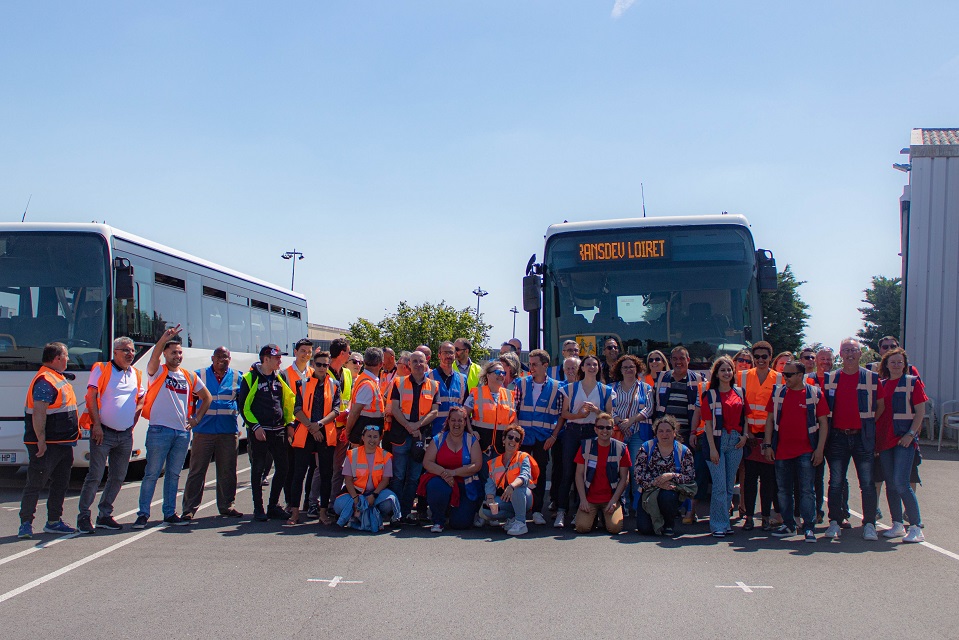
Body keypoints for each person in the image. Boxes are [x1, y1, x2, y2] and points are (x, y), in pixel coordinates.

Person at [135, 327, 213, 528]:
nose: (177, 356)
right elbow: (153, 357)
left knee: (174, 475)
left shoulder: (188, 376)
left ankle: (169, 513)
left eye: (179, 352)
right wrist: (163, 338)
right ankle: (143, 514)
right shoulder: (158, 371)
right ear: (165, 354)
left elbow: (207, 397)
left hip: (181, 432)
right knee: (152, 473)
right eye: (173, 352)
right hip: (159, 431)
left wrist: (196, 419)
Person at [76, 337, 146, 534]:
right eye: (125, 350)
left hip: (124, 435)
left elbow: (141, 397)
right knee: (95, 475)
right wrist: (96, 425)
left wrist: (134, 419)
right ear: (115, 352)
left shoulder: (136, 374)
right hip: (103, 432)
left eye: (132, 350)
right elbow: (91, 397)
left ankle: (105, 514)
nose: (130, 354)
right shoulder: (102, 368)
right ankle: (83, 516)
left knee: (118, 476)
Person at [762, 360, 830, 542]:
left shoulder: (814, 393)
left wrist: (820, 449)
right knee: (783, 491)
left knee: (807, 490)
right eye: (784, 374)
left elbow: (823, 423)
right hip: (782, 450)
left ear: (801, 375)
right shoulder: (778, 393)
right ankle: (789, 525)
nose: (785, 378)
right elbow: (769, 420)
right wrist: (767, 445)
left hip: (806, 451)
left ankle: (809, 527)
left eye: (789, 375)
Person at [18, 342, 80, 539]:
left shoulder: (56, 377)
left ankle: (54, 521)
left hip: (63, 443)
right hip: (48, 445)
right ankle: (26, 523)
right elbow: (39, 412)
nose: (68, 359)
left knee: (60, 484)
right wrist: (41, 440)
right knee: (36, 483)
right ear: (57, 359)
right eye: (66, 356)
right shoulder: (45, 380)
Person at [823, 337, 882, 541]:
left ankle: (869, 524)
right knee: (836, 481)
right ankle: (834, 522)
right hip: (838, 436)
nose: (849, 354)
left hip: (862, 437)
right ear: (840, 354)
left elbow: (880, 406)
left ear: (860, 353)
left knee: (867, 482)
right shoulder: (831, 378)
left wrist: (869, 426)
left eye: (853, 350)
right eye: (846, 350)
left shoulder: (872, 378)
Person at [181, 346, 243, 521]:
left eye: (226, 357)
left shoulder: (238, 376)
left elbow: (242, 402)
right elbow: (188, 399)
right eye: (219, 357)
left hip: (228, 431)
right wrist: (192, 418)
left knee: (228, 471)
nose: (223, 360)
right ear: (212, 358)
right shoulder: (198, 375)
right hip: (204, 431)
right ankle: (189, 509)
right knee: (197, 471)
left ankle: (227, 506)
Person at [555, 354, 614, 528]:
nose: (591, 367)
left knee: (588, 473)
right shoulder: (571, 388)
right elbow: (564, 413)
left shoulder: (606, 390)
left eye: (594, 364)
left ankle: (579, 510)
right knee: (568, 472)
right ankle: (561, 510)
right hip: (573, 431)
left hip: (592, 432)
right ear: (582, 367)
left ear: (598, 368)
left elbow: (609, 416)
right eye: (588, 364)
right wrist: (578, 415)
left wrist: (597, 411)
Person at [238, 343, 295, 522]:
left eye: (280, 357)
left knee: (283, 467)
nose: (280, 360)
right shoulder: (250, 377)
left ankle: (273, 506)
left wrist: (290, 422)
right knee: (258, 468)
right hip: (260, 431)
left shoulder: (280, 377)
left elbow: (287, 401)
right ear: (266, 358)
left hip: (278, 430)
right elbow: (244, 407)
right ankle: (258, 508)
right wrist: (255, 427)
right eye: (277, 357)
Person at [874, 347, 926, 542]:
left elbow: (920, 412)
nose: (896, 365)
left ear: (905, 365)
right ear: (886, 364)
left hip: (903, 440)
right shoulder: (882, 384)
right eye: (892, 362)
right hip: (885, 441)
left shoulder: (913, 383)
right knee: (890, 484)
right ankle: (897, 524)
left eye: (899, 362)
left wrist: (911, 434)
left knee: (902, 483)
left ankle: (915, 526)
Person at [652, 346, 705, 523]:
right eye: (674, 358)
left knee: (689, 473)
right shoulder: (661, 378)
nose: (678, 362)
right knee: (666, 471)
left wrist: (694, 432)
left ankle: (690, 511)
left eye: (681, 358)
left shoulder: (698, 380)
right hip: (665, 436)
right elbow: (655, 407)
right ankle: (669, 509)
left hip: (688, 434)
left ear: (688, 360)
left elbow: (701, 409)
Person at [290, 350, 341, 525]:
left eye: (325, 365)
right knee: (299, 474)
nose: (322, 367)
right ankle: (295, 513)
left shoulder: (335, 384)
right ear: (313, 365)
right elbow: (297, 409)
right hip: (306, 433)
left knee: (326, 474)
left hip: (325, 433)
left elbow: (336, 410)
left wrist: (318, 424)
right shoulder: (301, 383)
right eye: (318, 364)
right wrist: (312, 427)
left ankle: (323, 513)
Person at [389, 350, 439, 523]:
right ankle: (395, 512)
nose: (418, 364)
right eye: (414, 361)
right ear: (408, 364)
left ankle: (406, 511)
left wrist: (417, 426)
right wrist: (409, 426)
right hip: (401, 435)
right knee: (398, 475)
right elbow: (394, 408)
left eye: (421, 361)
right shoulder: (398, 382)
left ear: (426, 364)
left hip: (421, 435)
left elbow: (434, 411)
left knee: (414, 477)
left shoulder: (434, 385)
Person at [701, 356, 747, 538]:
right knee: (719, 486)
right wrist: (712, 449)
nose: (727, 373)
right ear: (717, 374)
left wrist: (744, 436)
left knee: (729, 486)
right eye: (723, 370)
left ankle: (725, 523)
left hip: (736, 441)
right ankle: (717, 524)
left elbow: (746, 417)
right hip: (717, 441)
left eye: (729, 370)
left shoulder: (740, 392)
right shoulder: (710, 395)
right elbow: (708, 425)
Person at [418, 406, 484, 532]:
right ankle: (438, 520)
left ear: (465, 422)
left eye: (460, 420)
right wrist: (444, 474)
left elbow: (477, 465)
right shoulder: (439, 438)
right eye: (453, 420)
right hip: (443, 482)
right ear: (448, 421)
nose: (456, 424)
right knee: (435, 485)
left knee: (460, 524)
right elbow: (427, 462)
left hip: (465, 487)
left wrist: (453, 473)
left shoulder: (471, 440)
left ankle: (453, 512)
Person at [738, 341, 781, 531]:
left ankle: (764, 516)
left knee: (768, 479)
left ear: (771, 357)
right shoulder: (743, 377)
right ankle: (748, 516)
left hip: (769, 437)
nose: (761, 360)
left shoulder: (780, 379)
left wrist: (770, 440)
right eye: (757, 357)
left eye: (764, 356)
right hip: (750, 436)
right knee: (749, 480)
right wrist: (746, 433)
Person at [516, 349, 562, 525]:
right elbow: (516, 409)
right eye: (531, 364)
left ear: (545, 366)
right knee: (520, 473)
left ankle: (537, 511)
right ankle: (520, 509)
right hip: (524, 437)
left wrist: (554, 436)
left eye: (535, 364)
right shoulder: (521, 384)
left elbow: (560, 415)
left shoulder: (557, 387)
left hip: (543, 438)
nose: (531, 367)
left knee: (540, 474)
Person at [635, 416, 696, 536]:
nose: (664, 434)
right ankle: (655, 522)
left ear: (674, 433)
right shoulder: (646, 448)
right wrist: (658, 482)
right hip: (649, 492)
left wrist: (670, 476)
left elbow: (690, 476)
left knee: (667, 496)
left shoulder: (683, 451)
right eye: (661, 431)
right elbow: (638, 475)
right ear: (655, 433)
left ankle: (668, 523)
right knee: (645, 529)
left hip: (672, 491)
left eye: (668, 431)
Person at [331, 425, 400, 532]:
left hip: (376, 493)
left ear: (380, 438)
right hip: (355, 493)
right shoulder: (352, 454)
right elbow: (348, 480)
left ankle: (366, 515)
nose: (372, 440)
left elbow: (385, 480)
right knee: (338, 505)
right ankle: (363, 515)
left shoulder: (386, 456)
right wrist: (355, 499)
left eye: (375, 437)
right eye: (369, 436)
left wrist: (374, 495)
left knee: (391, 500)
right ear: (363, 438)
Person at [574, 413, 631, 534]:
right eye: (601, 427)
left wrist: (615, 500)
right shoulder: (586, 446)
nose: (604, 430)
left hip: (610, 499)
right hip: (590, 498)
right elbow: (578, 474)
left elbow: (624, 478)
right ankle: (594, 517)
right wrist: (583, 500)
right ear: (595, 429)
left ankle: (605, 517)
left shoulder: (621, 448)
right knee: (582, 527)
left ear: (612, 429)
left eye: (608, 428)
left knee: (614, 528)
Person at [610, 354, 652, 513]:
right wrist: (620, 422)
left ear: (637, 369)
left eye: (631, 367)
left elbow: (649, 409)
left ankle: (637, 504)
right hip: (617, 433)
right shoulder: (612, 387)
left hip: (637, 433)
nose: (628, 370)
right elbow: (609, 408)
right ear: (620, 370)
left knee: (636, 469)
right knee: (619, 469)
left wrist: (632, 420)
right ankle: (622, 503)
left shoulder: (646, 388)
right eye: (625, 367)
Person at [480, 425, 537, 535]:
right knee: (486, 509)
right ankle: (512, 519)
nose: (513, 441)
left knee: (517, 488)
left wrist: (512, 486)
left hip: (524, 496)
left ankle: (521, 523)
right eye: (510, 437)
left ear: (519, 444)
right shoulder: (494, 462)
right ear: (504, 440)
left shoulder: (523, 457)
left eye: (517, 439)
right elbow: (490, 482)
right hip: (507, 499)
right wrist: (490, 498)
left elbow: (525, 476)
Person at [281, 338, 314, 511]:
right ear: (295, 352)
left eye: (309, 351)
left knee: (310, 468)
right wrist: (288, 426)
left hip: (309, 427)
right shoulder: (285, 374)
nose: (306, 354)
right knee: (292, 468)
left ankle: (308, 502)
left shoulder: (313, 373)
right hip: (292, 426)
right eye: (303, 351)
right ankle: (290, 503)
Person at [465, 360, 517, 457]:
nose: (501, 375)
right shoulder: (476, 393)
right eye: (497, 372)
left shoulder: (509, 395)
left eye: (503, 373)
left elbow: (514, 421)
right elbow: (464, 414)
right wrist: (471, 431)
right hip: (480, 446)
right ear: (488, 375)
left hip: (501, 447)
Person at [326, 337, 353, 511]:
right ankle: (313, 502)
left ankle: (333, 503)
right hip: (327, 427)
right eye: (349, 352)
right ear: (342, 353)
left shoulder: (348, 373)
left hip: (343, 427)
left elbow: (349, 398)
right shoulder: (323, 372)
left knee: (338, 467)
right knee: (321, 468)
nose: (350, 355)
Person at [346, 347, 385, 445]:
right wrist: (348, 432)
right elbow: (355, 412)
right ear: (381, 364)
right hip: (363, 437)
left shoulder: (367, 379)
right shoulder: (368, 384)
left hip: (366, 435)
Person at [429, 342, 468, 437]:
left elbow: (465, 407)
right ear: (439, 355)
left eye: (451, 353)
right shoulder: (429, 377)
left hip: (456, 433)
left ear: (455, 356)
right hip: (434, 431)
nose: (448, 355)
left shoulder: (462, 379)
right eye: (445, 352)